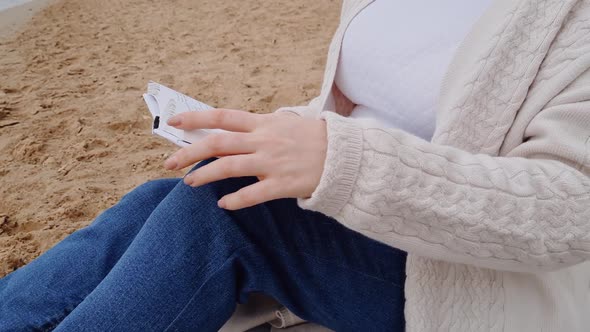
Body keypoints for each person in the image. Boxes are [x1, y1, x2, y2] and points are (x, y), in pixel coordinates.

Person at [2, 0, 590, 331]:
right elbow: (362, 108)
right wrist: (268, 132)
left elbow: (570, 209)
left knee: (225, 214)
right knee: (170, 192)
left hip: (465, 275)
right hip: (358, 212)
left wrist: (339, 159)